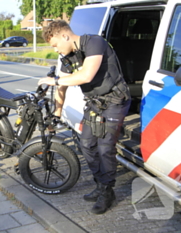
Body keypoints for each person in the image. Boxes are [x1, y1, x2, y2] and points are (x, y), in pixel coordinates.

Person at [38, 20, 131, 214]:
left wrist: (53, 80)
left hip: (114, 100)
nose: (55, 50)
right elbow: (61, 86)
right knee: (87, 144)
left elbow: (86, 76)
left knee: (105, 147)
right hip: (95, 103)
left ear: (65, 35)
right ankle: (100, 184)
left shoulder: (95, 43)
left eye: (55, 44)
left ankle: (107, 192)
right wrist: (57, 112)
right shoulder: (67, 57)